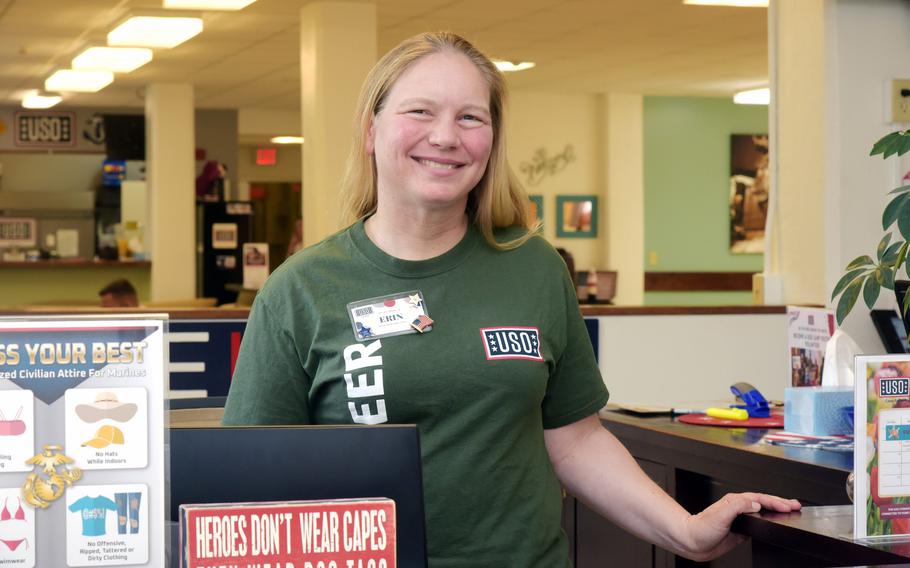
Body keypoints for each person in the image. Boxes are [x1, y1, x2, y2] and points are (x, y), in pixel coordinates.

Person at [222, 31, 799, 566]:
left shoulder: (535, 269)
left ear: (491, 141)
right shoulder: (300, 289)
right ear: (372, 131)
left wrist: (686, 531)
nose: (446, 136)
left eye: (470, 117)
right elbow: (250, 488)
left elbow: (575, 442)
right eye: (420, 111)